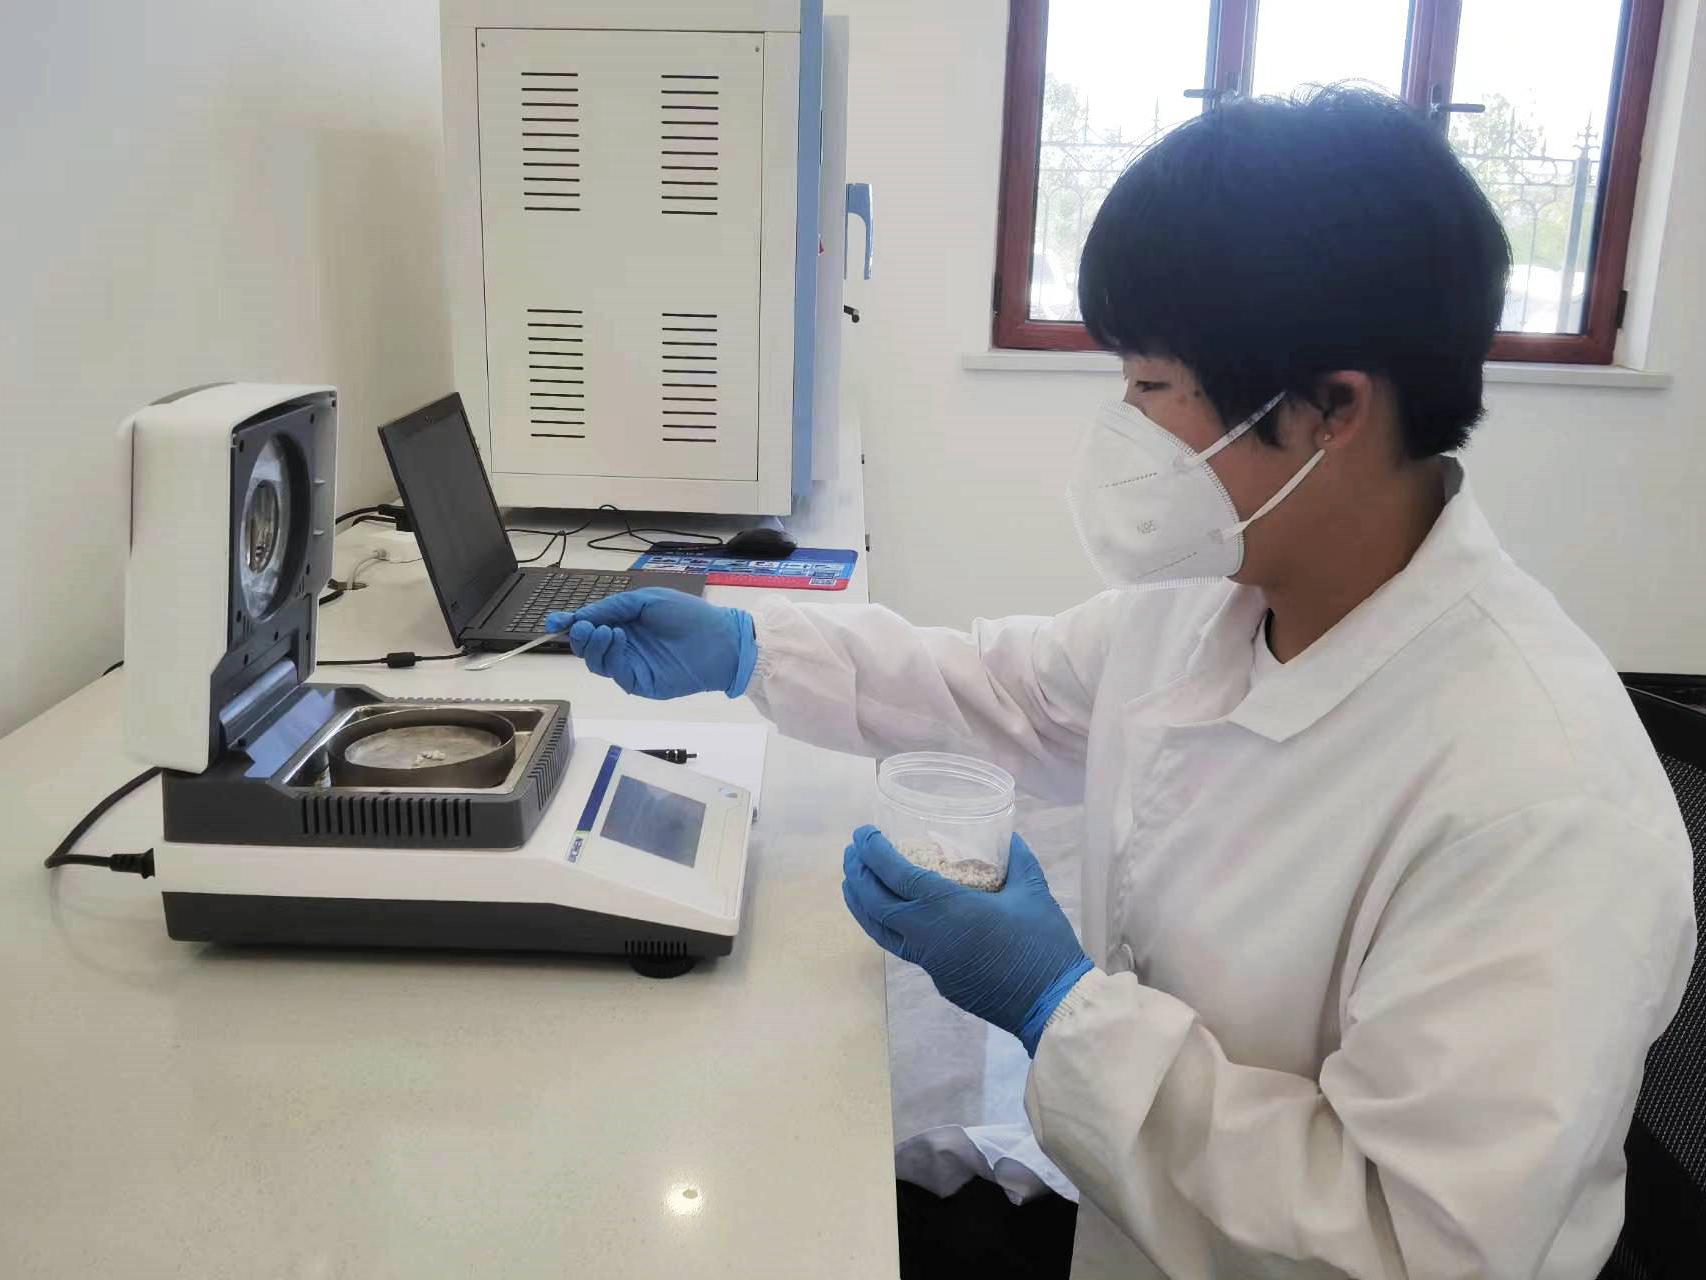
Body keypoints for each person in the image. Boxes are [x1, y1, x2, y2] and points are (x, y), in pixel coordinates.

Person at [546, 89, 1695, 1279]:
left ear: (1331, 407)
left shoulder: (1539, 797)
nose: (1124, 430)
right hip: (1129, 1226)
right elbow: (1003, 689)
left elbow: (1409, 1242)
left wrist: (1057, 1006)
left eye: (1150, 388)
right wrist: (748, 646)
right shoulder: (1219, 598)